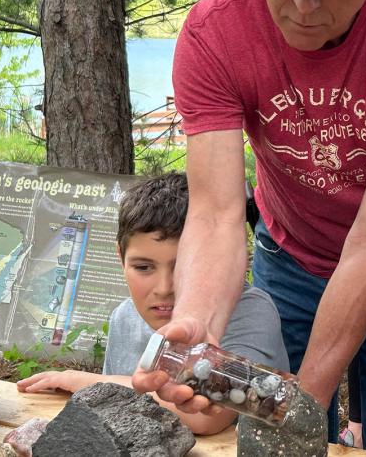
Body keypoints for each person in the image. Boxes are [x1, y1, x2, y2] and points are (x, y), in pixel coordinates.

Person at [131, 0, 366, 449]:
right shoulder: (217, 31)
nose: (304, 3)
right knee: (248, 426)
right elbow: (216, 212)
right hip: (288, 248)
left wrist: (305, 399)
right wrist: (198, 321)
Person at [17, 173, 288, 435]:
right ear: (120, 257)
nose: (164, 288)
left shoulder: (251, 310)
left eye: (183, 267)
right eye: (144, 267)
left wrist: (84, 382)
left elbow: (207, 419)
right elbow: (116, 412)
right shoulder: (124, 317)